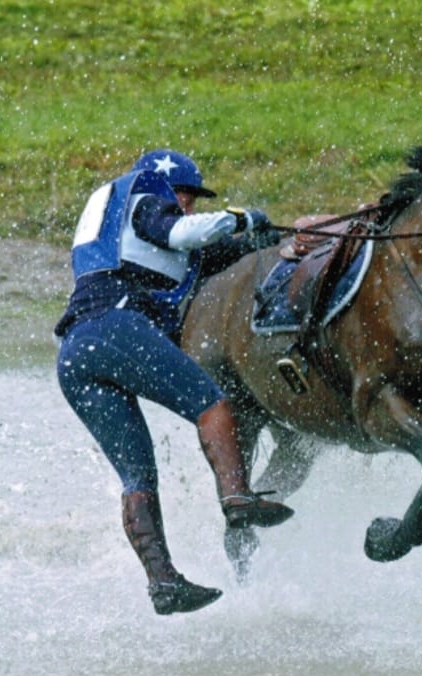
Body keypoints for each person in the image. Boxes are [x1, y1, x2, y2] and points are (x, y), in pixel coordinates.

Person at [54, 149, 292, 615]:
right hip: (115, 328)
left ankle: (163, 583)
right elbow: (182, 232)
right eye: (184, 195)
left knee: (138, 477)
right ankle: (238, 499)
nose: (187, 205)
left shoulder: (124, 235)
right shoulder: (145, 199)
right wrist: (241, 218)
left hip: (76, 354)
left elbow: (213, 253)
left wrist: (274, 238)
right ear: (160, 185)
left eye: (191, 199)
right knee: (213, 406)